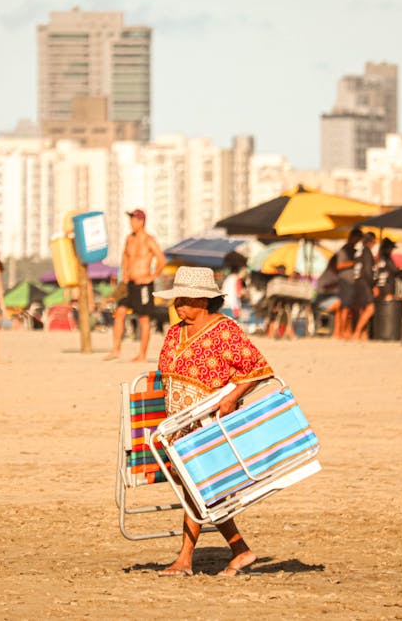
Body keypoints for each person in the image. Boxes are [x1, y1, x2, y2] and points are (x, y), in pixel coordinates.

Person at [153, 266, 274, 576]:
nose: (179, 306)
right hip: (178, 427)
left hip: (208, 427)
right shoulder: (175, 332)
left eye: (187, 300)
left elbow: (259, 369)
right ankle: (240, 550)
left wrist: (231, 397)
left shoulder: (225, 330)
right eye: (177, 300)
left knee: (199, 490)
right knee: (203, 492)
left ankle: (185, 559)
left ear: (205, 301)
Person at [104, 209, 165, 362]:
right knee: (119, 312)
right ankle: (116, 350)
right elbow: (125, 256)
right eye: (130, 220)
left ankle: (142, 355)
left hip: (143, 285)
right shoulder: (129, 239)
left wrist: (151, 277)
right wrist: (124, 273)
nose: (131, 223)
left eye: (133, 220)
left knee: (144, 319)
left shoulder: (149, 240)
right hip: (129, 283)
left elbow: (162, 260)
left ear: (141, 221)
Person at [333, 228, 364, 340]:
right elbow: (339, 266)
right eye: (358, 238)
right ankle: (341, 332)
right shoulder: (344, 250)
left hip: (351, 282)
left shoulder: (353, 250)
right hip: (345, 282)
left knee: (349, 308)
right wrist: (353, 263)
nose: (358, 241)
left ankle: (344, 331)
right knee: (344, 307)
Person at [352, 232, 379, 341]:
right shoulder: (367, 251)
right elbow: (368, 270)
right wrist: (373, 285)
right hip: (365, 282)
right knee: (370, 308)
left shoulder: (359, 251)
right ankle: (357, 332)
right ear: (372, 241)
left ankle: (363, 335)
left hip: (357, 282)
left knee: (362, 309)